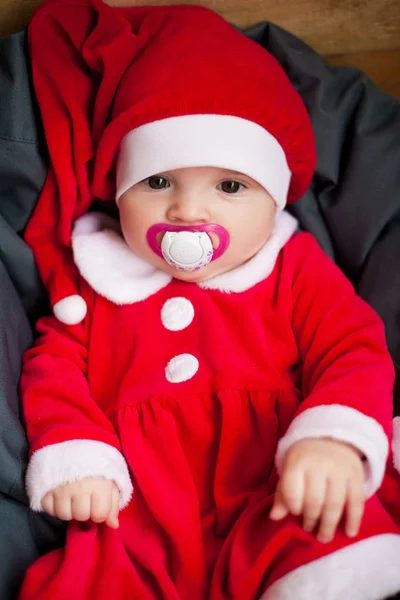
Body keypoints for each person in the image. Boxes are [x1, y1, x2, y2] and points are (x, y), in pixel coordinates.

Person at [18, 0, 400, 598]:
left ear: (273, 199)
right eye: (158, 181)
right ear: (119, 193)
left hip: (275, 485)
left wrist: (334, 437)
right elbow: (54, 366)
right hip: (134, 511)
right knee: (88, 579)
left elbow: (351, 346)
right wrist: (78, 454)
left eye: (229, 186)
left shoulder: (292, 265)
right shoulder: (94, 275)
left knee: (329, 543)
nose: (188, 211)